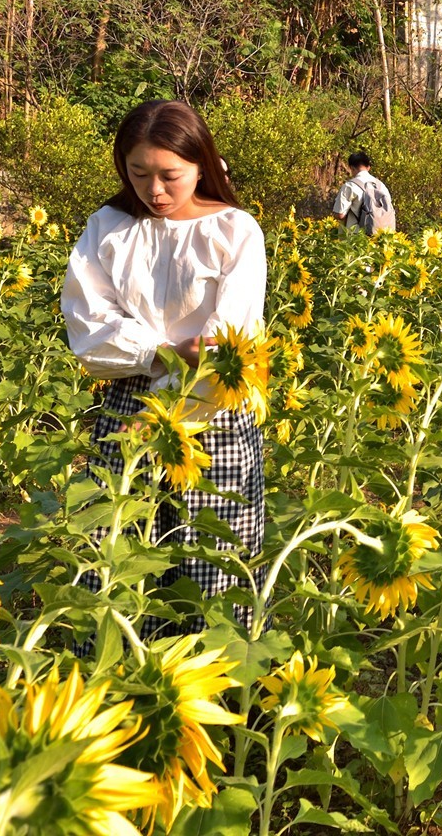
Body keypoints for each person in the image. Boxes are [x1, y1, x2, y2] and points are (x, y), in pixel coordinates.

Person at [61, 99, 267, 637]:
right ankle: (121, 679)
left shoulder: (235, 231)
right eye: (139, 173)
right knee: (122, 547)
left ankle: (212, 687)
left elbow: (228, 339)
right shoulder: (107, 227)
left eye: (170, 175)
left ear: (203, 166)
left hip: (212, 411)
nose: (154, 191)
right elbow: (87, 325)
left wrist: (168, 374)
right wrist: (168, 352)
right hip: (128, 405)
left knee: (212, 555)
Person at [333, 150, 395, 232]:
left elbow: (340, 214)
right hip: (381, 237)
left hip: (357, 238)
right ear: (368, 167)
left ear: (351, 168)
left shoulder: (350, 186)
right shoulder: (381, 186)